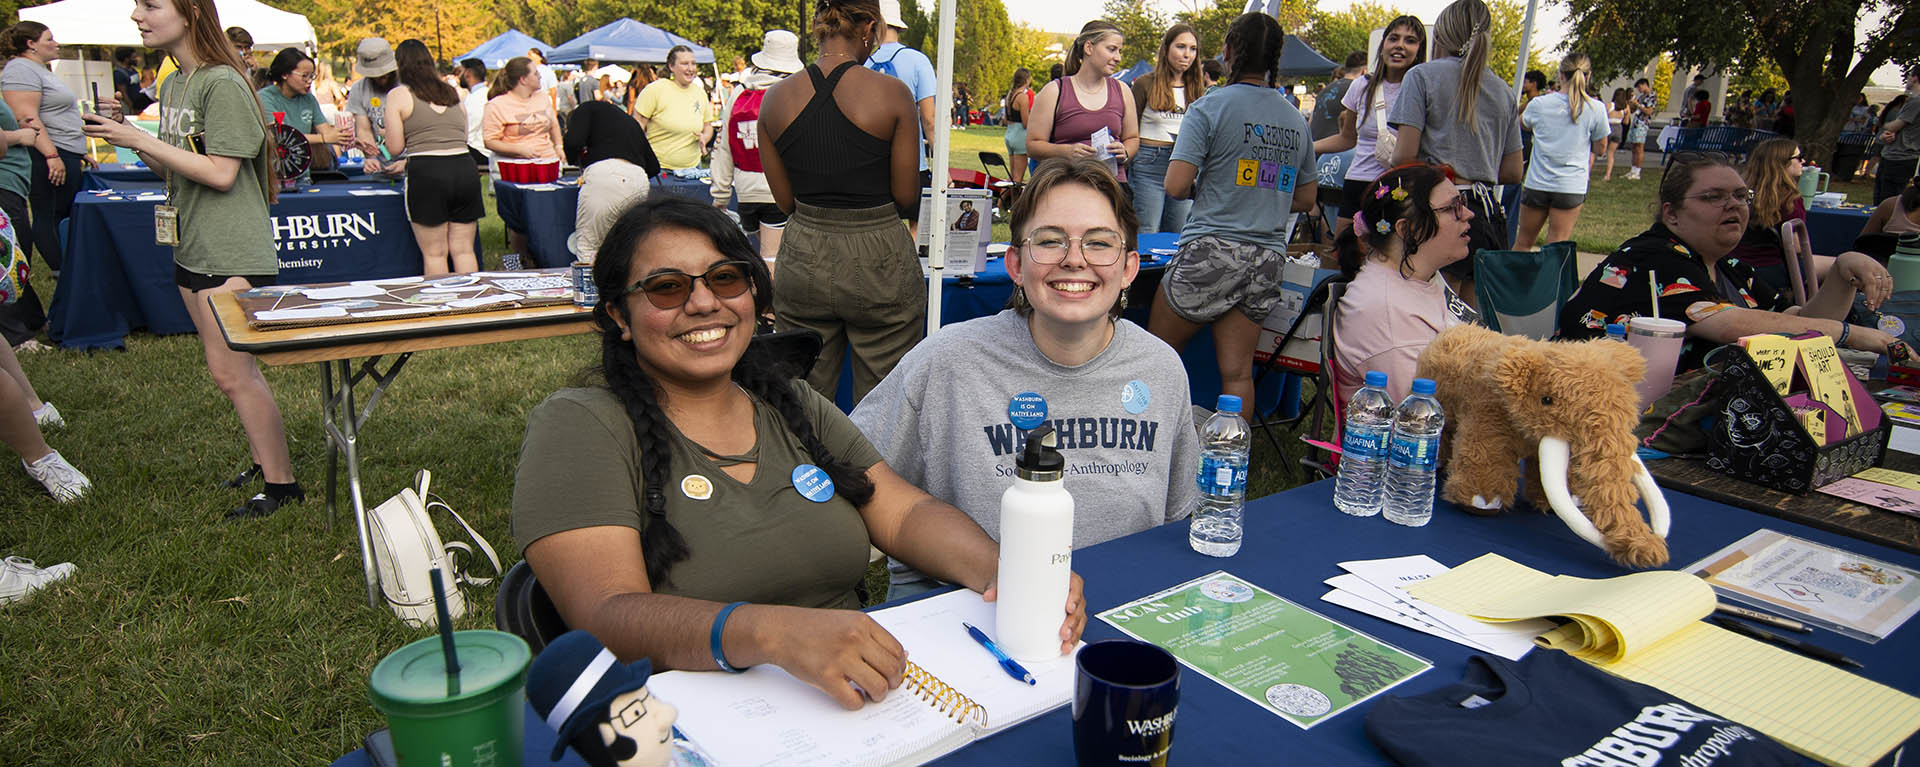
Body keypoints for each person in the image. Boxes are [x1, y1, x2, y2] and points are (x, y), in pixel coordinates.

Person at [510, 196, 1088, 710]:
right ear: (620, 315)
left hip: (862, 698)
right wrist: (774, 635)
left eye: (726, 278)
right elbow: (607, 614)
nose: (704, 302)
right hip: (697, 720)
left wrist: (1006, 571)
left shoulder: (791, 404)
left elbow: (904, 512)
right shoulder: (583, 425)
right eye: (667, 287)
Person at [851, 157, 1198, 600]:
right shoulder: (947, 362)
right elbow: (853, 466)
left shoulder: (1161, 369)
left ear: (1129, 267)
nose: (1075, 260)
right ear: (1014, 264)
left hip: (1119, 610)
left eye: (1099, 243)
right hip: (969, 613)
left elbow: (1178, 517)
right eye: (1050, 241)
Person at [83, 0, 303, 518]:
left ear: (190, 13)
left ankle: (282, 487)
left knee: (234, 374)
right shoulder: (175, 82)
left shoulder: (221, 83)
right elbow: (176, 169)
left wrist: (136, 137)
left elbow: (223, 172)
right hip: (193, 242)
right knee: (228, 370)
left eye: (151, 5)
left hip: (230, 248)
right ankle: (263, 462)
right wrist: (131, 139)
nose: (137, 15)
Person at [1557, 154, 1894, 373]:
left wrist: (1842, 272)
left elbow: (1799, 323)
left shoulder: (1729, 265)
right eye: (1713, 197)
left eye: (1740, 196)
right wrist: (1853, 334)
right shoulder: (1655, 257)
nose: (1732, 205)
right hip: (1596, 411)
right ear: (1671, 213)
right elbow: (1724, 324)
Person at [1147, 12, 1316, 407]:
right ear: (1275, 59)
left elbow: (1174, 185)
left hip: (1212, 250)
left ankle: (1148, 453)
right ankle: (1234, 463)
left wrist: (1216, 188)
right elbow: (1306, 199)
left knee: (1155, 357)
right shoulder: (1294, 116)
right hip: (1267, 259)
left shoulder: (1210, 107)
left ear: (1227, 53)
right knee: (1238, 373)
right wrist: (1261, 195)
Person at [759, 0, 922, 406]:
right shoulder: (893, 94)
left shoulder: (774, 99)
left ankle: (805, 469)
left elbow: (784, 201)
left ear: (819, 26)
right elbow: (906, 196)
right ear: (868, 27)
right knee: (884, 404)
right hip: (879, 251)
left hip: (805, 250)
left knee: (802, 399)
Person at [1389, 0, 1520, 304]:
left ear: (1442, 34)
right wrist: (1477, 163)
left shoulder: (1422, 77)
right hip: (1486, 215)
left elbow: (1403, 156)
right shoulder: (1503, 91)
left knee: (1428, 317)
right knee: (1468, 329)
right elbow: (1514, 172)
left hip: (1438, 210)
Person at [1333, 164, 1480, 404]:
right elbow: (1419, 415)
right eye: (1452, 207)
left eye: (1462, 201)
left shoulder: (1419, 278)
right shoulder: (1386, 313)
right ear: (1407, 229)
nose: (1467, 213)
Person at [1313, 15, 1426, 237]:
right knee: (1345, 256)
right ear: (1383, 44)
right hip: (1358, 183)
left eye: (1410, 40)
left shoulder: (1423, 90)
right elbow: (1347, 138)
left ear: (1420, 50)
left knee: (1389, 261)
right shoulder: (1361, 86)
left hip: (1401, 188)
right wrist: (1309, 147)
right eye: (1394, 38)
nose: (1400, 46)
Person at [382, 39, 482, 276]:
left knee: (435, 253)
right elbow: (463, 134)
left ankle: (443, 306)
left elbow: (394, 148)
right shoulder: (453, 93)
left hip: (427, 172)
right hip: (463, 168)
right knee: (464, 250)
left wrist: (386, 132)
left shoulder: (399, 95)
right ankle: (475, 307)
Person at [2, 22, 86, 279]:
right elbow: (27, 115)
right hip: (46, 154)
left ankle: (68, 267)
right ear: (31, 44)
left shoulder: (36, 69)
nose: (56, 43)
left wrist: (76, 152)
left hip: (62, 150)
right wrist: (51, 155)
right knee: (48, 213)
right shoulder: (20, 70)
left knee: (61, 213)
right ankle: (61, 270)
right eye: (49, 38)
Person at [713, 30, 800, 270]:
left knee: (769, 255)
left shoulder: (740, 92)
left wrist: (720, 194)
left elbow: (724, 147)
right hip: (780, 190)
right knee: (771, 260)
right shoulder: (794, 92)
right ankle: (770, 307)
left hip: (746, 191)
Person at [1513, 54, 1609, 251]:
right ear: (1587, 76)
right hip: (1570, 185)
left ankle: (1514, 282)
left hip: (1537, 182)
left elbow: (1520, 123)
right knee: (1555, 247)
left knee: (1523, 242)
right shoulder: (1596, 108)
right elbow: (1601, 148)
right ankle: (1547, 283)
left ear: (1560, 75)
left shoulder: (1540, 104)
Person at [1028, 21, 1137, 185]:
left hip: (1112, 188)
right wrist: (1066, 151)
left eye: (1119, 51)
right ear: (1089, 48)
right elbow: (1032, 145)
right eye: (1112, 49)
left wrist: (1125, 151)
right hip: (1066, 187)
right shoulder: (1055, 91)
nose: (1118, 58)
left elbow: (1132, 137)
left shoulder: (1123, 90)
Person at [484, 56, 563, 258]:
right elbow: (490, 140)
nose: (539, 76)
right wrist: (520, 150)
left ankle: (547, 257)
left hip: (547, 165)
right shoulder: (497, 105)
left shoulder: (542, 97)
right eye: (535, 73)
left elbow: (553, 124)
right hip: (516, 169)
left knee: (548, 214)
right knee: (520, 219)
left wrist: (559, 147)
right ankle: (521, 259)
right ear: (523, 79)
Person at [1129, 24, 1202, 235]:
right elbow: (1130, 126)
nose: (1186, 54)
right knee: (1147, 229)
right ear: (1166, 48)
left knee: (1178, 231)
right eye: (1180, 46)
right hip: (1149, 161)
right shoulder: (1145, 83)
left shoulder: (1197, 89)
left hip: (1184, 164)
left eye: (1192, 48)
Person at [566, 100, 660, 261]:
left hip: (606, 176)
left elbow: (573, 141)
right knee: (627, 248)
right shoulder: (629, 122)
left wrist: (574, 159)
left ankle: (592, 285)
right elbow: (654, 166)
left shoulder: (585, 109)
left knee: (590, 247)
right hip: (639, 180)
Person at [865, 0, 938, 184]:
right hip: (912, 164)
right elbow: (930, 121)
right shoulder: (918, 61)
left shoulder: (864, 63)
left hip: (872, 166)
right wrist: (942, 166)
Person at [256, 48, 342, 183]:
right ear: (285, 74)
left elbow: (327, 131)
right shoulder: (265, 98)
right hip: (274, 177)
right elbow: (280, 137)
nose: (309, 81)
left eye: (312, 76)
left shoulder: (309, 99)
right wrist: (324, 138)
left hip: (302, 175)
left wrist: (344, 137)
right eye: (304, 76)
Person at [0, 95, 45, 349]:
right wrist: (18, 136)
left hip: (12, 183)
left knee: (18, 259)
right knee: (7, 261)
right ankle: (15, 337)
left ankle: (32, 321)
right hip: (4, 184)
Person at [635, 46, 714, 172]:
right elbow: (637, 126)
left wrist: (705, 137)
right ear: (672, 67)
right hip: (660, 169)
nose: (690, 68)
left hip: (693, 169)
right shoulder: (655, 90)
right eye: (684, 64)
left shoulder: (699, 92)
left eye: (693, 64)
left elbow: (708, 125)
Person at [346, 38, 400, 175]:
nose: (379, 80)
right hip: (382, 168)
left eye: (383, 76)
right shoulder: (359, 89)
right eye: (374, 76)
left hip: (411, 163)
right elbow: (363, 129)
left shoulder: (408, 85)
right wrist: (371, 157)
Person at [1876, 71, 1920, 206]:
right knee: (1880, 202)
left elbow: (1895, 125)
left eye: (1908, 76)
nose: (1907, 79)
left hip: (1900, 157)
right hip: (1894, 154)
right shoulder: (1911, 100)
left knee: (1887, 203)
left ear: (1915, 78)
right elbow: (1901, 128)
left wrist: (1886, 126)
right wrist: (1889, 134)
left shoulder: (1916, 101)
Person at [1311, 52, 1365, 143]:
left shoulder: (1326, 89)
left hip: (1315, 147)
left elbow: (1311, 120)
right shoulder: (1357, 89)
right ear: (1364, 71)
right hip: (1335, 150)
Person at [1001, 67, 1033, 185]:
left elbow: (1005, 118)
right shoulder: (1022, 97)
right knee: (1018, 179)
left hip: (1009, 133)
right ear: (1026, 80)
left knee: (1012, 176)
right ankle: (1008, 202)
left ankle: (1004, 202)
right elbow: (1026, 123)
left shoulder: (1010, 95)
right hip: (1020, 135)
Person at [457, 58, 489, 167]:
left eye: (460, 71)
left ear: (468, 73)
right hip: (478, 147)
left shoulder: (479, 97)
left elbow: (469, 131)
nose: (458, 76)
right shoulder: (476, 95)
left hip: (480, 150)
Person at [1626, 78, 1656, 180]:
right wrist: (1631, 103)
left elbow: (1648, 111)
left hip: (1643, 124)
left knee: (1639, 147)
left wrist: (1638, 104)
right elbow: (1633, 110)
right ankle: (1633, 170)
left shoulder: (1652, 96)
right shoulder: (1641, 97)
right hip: (1636, 123)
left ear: (1644, 85)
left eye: (1639, 87)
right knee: (1634, 147)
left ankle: (1637, 172)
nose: (1639, 89)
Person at [113, 46, 153, 116]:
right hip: (130, 107)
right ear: (126, 59)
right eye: (133, 57)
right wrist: (132, 107)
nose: (136, 59)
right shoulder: (119, 73)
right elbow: (123, 93)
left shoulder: (133, 70)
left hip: (139, 104)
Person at [1599, 88, 1628, 181]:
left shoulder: (1609, 105)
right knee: (1611, 153)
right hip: (1618, 128)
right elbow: (1626, 122)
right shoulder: (1626, 108)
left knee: (1598, 150)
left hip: (1608, 127)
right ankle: (1608, 175)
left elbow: (1602, 116)